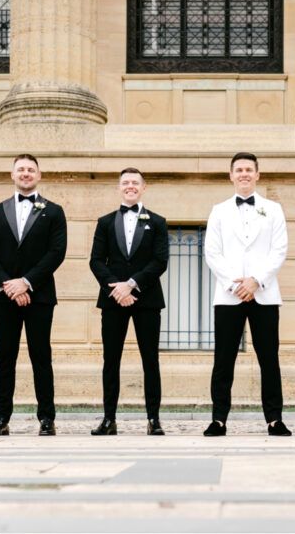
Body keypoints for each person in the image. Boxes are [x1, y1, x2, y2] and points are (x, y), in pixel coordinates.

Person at [202, 152, 290, 437]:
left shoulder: (273, 209)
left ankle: (274, 419)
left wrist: (256, 281)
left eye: (248, 170)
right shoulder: (218, 210)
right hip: (229, 296)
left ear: (257, 175)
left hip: (264, 294)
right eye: (238, 170)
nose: (244, 174)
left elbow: (279, 250)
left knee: (269, 359)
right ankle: (218, 419)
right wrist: (234, 284)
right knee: (223, 359)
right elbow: (212, 252)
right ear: (231, 175)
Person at [0, 154, 67, 436]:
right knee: (5, 357)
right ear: (12, 175)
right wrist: (9, 285)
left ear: (39, 175)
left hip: (39, 296)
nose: (26, 173)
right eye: (21, 169)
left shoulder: (54, 211)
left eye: (31, 169)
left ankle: (47, 418)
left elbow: (56, 253)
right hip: (4, 296)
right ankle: (1, 418)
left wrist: (27, 283)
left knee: (41, 356)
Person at [88, 167, 169, 436]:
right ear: (119, 188)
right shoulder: (105, 222)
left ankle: (154, 419)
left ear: (143, 188)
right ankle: (109, 419)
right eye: (125, 183)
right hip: (113, 300)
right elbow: (96, 261)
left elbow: (160, 261)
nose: (130, 186)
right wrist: (118, 289)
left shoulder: (157, 222)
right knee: (111, 360)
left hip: (147, 299)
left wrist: (131, 285)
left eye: (135, 182)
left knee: (150, 360)